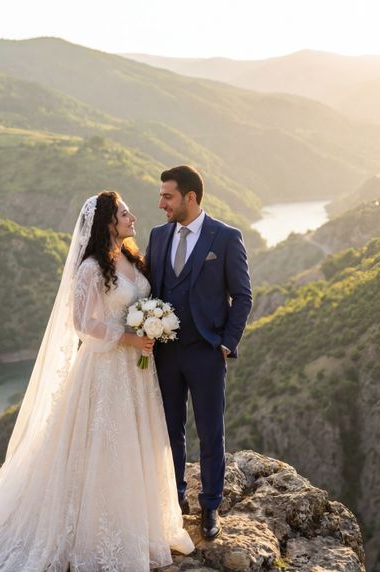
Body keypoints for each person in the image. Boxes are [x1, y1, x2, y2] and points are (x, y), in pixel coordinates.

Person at [0, 191, 194, 571]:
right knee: (101, 446)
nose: (134, 219)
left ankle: (137, 524)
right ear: (108, 223)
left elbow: (137, 302)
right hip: (104, 369)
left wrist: (149, 324)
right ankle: (96, 531)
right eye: (126, 214)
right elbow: (81, 323)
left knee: (131, 443)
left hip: (135, 371)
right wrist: (128, 336)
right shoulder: (91, 268)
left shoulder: (132, 256)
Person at [147, 165, 252, 539]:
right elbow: (152, 289)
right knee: (170, 430)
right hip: (165, 353)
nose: (161, 203)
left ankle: (210, 506)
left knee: (211, 432)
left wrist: (226, 343)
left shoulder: (225, 238)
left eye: (167, 196)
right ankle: (175, 499)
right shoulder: (158, 236)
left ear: (190, 197)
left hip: (207, 352)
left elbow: (242, 296)